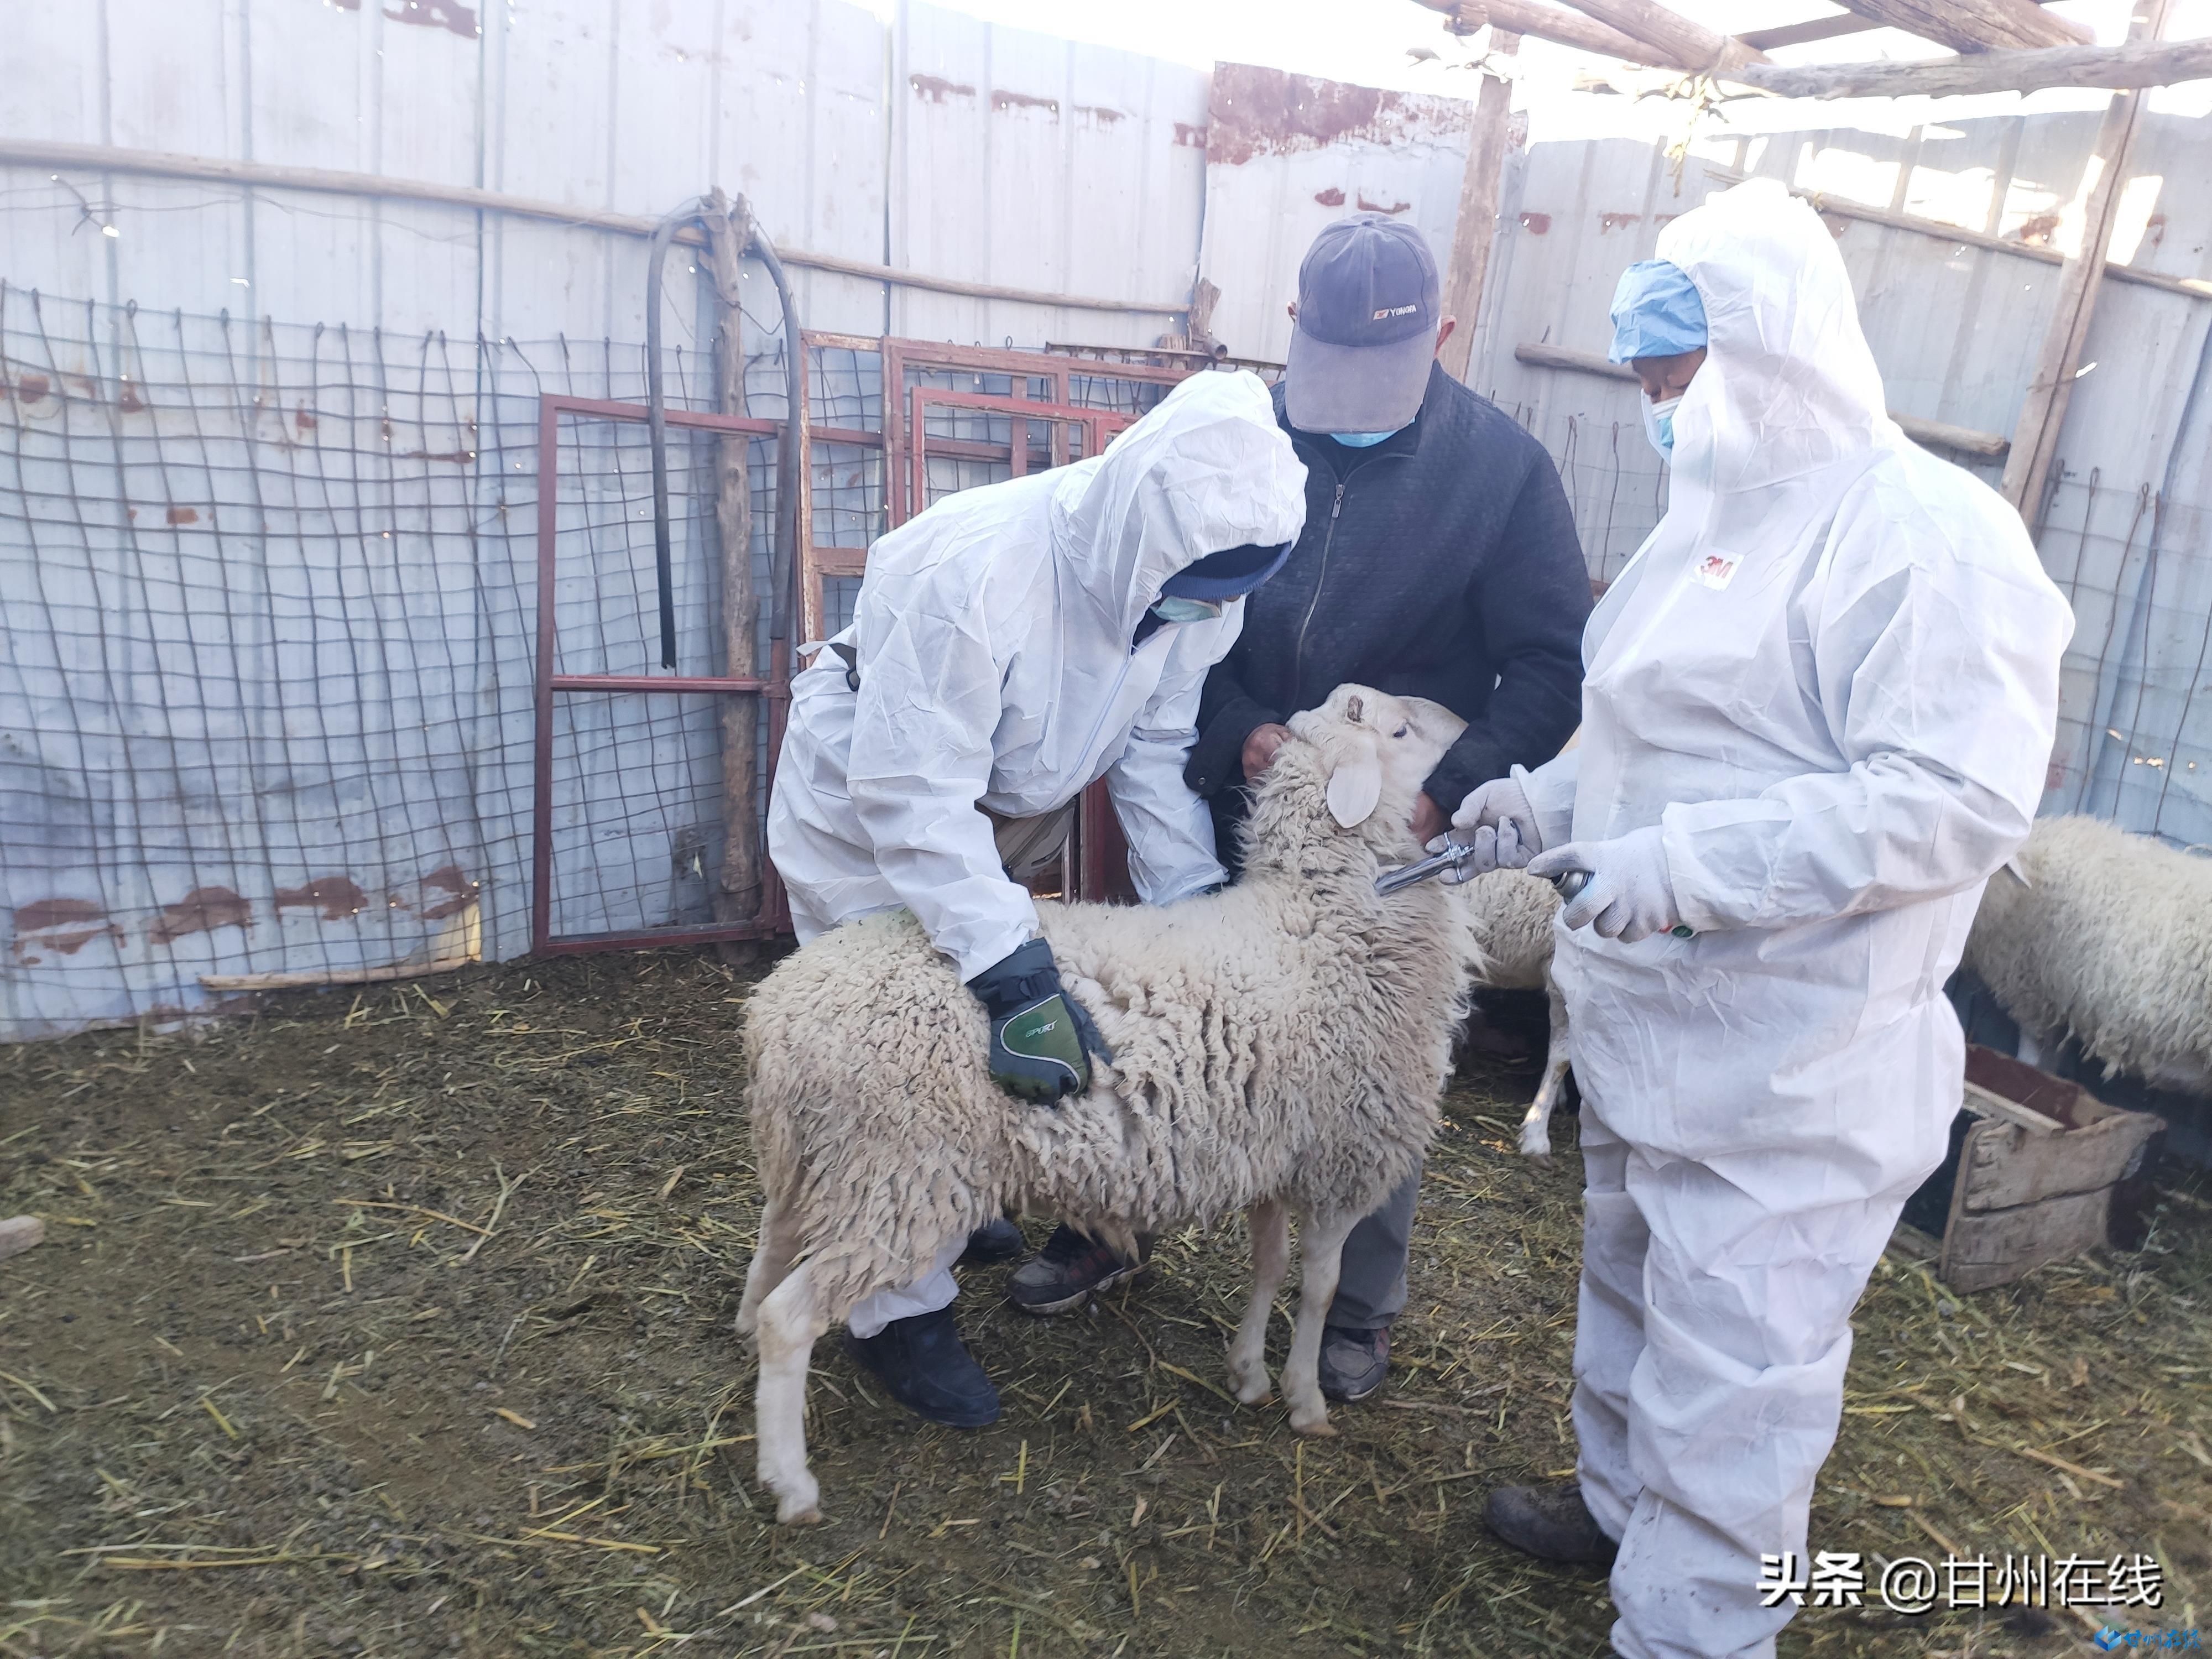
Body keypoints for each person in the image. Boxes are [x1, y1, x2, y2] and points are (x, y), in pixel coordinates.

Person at [1443, 177, 2074, 1658]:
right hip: (1650, 1029)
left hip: (1793, 1061)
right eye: (1651, 376)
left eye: (1680, 373)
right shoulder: (1703, 519)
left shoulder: (1927, 540)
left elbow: (1953, 801)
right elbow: (1637, 734)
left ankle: (1695, 1624)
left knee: (1739, 1366)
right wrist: (1544, 798)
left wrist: (1691, 864)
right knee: (1629, 1287)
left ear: (1769, 355)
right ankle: (1618, 1511)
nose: (1660, 403)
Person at [1003, 211, 1593, 1407]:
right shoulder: (1244, 434)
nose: (1350, 403)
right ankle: (1112, 1223)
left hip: (1391, 844)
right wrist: (1239, 738)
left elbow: (1546, 665)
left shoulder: (1502, 473)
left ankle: (1354, 1305)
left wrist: (1440, 793)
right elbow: (1164, 613)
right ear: (1292, 331)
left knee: (1368, 1062)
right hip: (1233, 792)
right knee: (1160, 1014)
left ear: (1441, 333)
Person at [766, 368, 1306, 1428]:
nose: (1213, 607)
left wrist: (1196, 912)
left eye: (1235, 589)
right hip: (873, 804)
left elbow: (1154, 746)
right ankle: (896, 1312)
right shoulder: (970, 568)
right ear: (1147, 538)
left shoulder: (1198, 598)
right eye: (1204, 584)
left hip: (1010, 804)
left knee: (973, 1029)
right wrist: (1014, 969)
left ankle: (958, 1202)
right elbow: (915, 794)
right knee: (896, 1051)